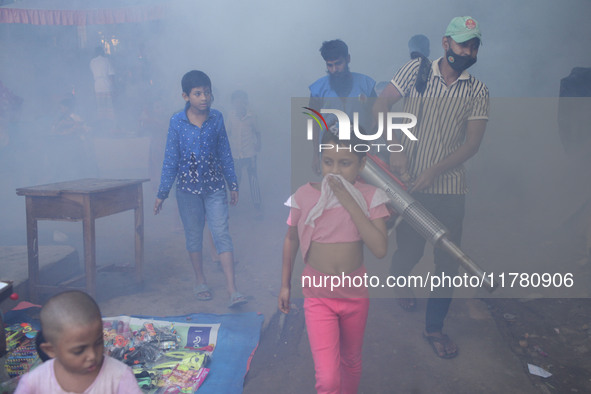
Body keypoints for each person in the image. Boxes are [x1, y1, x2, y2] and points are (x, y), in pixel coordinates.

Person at [373, 16, 489, 359]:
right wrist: (395, 148)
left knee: (448, 262)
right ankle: (399, 277)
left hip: (451, 188)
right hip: (409, 185)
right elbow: (381, 104)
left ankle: (434, 327)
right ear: (445, 43)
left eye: (474, 45)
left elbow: (472, 145)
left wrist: (436, 169)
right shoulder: (417, 71)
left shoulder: (478, 91)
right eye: (462, 44)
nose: (468, 51)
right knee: (410, 252)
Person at [279, 130, 390, 393]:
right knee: (328, 377)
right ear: (319, 162)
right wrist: (285, 284)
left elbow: (380, 248)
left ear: (362, 164)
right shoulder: (304, 196)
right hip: (318, 296)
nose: (335, 171)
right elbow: (291, 239)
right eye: (328, 162)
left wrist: (350, 202)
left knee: (350, 361)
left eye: (345, 163)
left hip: (355, 295)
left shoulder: (372, 196)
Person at [154, 70, 247, 308]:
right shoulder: (177, 121)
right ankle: (200, 280)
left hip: (215, 188)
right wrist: (162, 193)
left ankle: (232, 289)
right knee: (194, 235)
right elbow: (170, 158)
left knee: (221, 233)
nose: (204, 97)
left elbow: (225, 153)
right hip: (187, 191)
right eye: (197, 93)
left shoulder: (217, 118)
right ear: (185, 96)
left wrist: (232, 183)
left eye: (207, 92)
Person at [14, 290, 142, 394]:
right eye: (79, 351)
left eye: (98, 343)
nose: (92, 355)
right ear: (51, 350)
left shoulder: (119, 376)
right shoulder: (33, 383)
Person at [309, 39, 376, 174]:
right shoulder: (318, 89)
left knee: (364, 192)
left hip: (361, 152)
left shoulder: (366, 85)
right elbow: (314, 123)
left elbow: (378, 115)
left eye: (338, 64)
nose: (334, 70)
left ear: (348, 59)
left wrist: (373, 143)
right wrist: (316, 154)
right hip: (331, 154)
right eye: (330, 65)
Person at [226, 90, 262, 218]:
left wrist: (259, 144)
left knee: (253, 181)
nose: (239, 103)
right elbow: (227, 133)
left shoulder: (252, 116)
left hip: (250, 153)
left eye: (242, 100)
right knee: (235, 181)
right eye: (236, 100)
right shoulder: (231, 116)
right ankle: (232, 207)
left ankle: (257, 209)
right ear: (233, 103)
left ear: (245, 102)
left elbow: (257, 132)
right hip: (236, 154)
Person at [89, 47, 115, 124]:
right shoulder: (106, 60)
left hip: (97, 86)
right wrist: (114, 86)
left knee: (100, 107)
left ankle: (101, 123)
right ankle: (109, 123)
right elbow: (111, 75)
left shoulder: (92, 62)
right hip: (106, 85)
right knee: (108, 107)